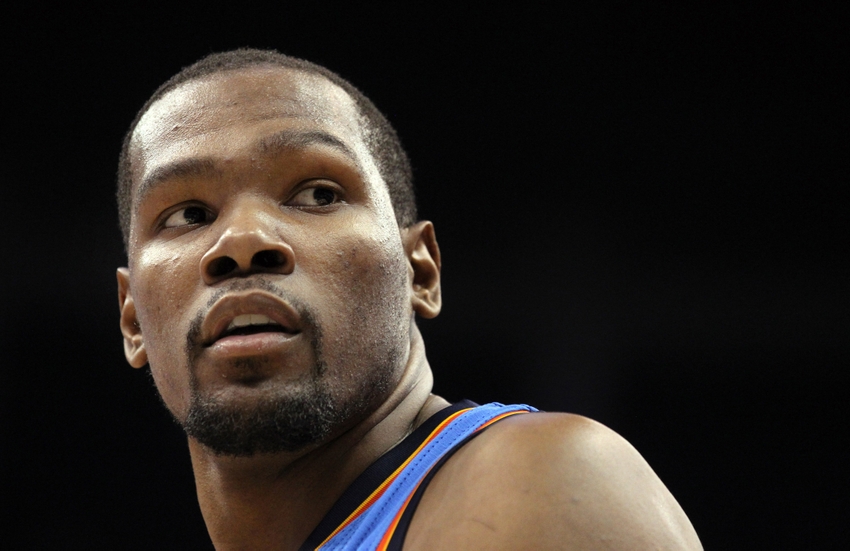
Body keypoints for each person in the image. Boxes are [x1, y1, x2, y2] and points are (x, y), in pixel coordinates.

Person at [116, 48, 703, 550]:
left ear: (420, 271)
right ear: (133, 318)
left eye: (317, 194)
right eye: (187, 214)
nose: (242, 242)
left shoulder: (539, 480)